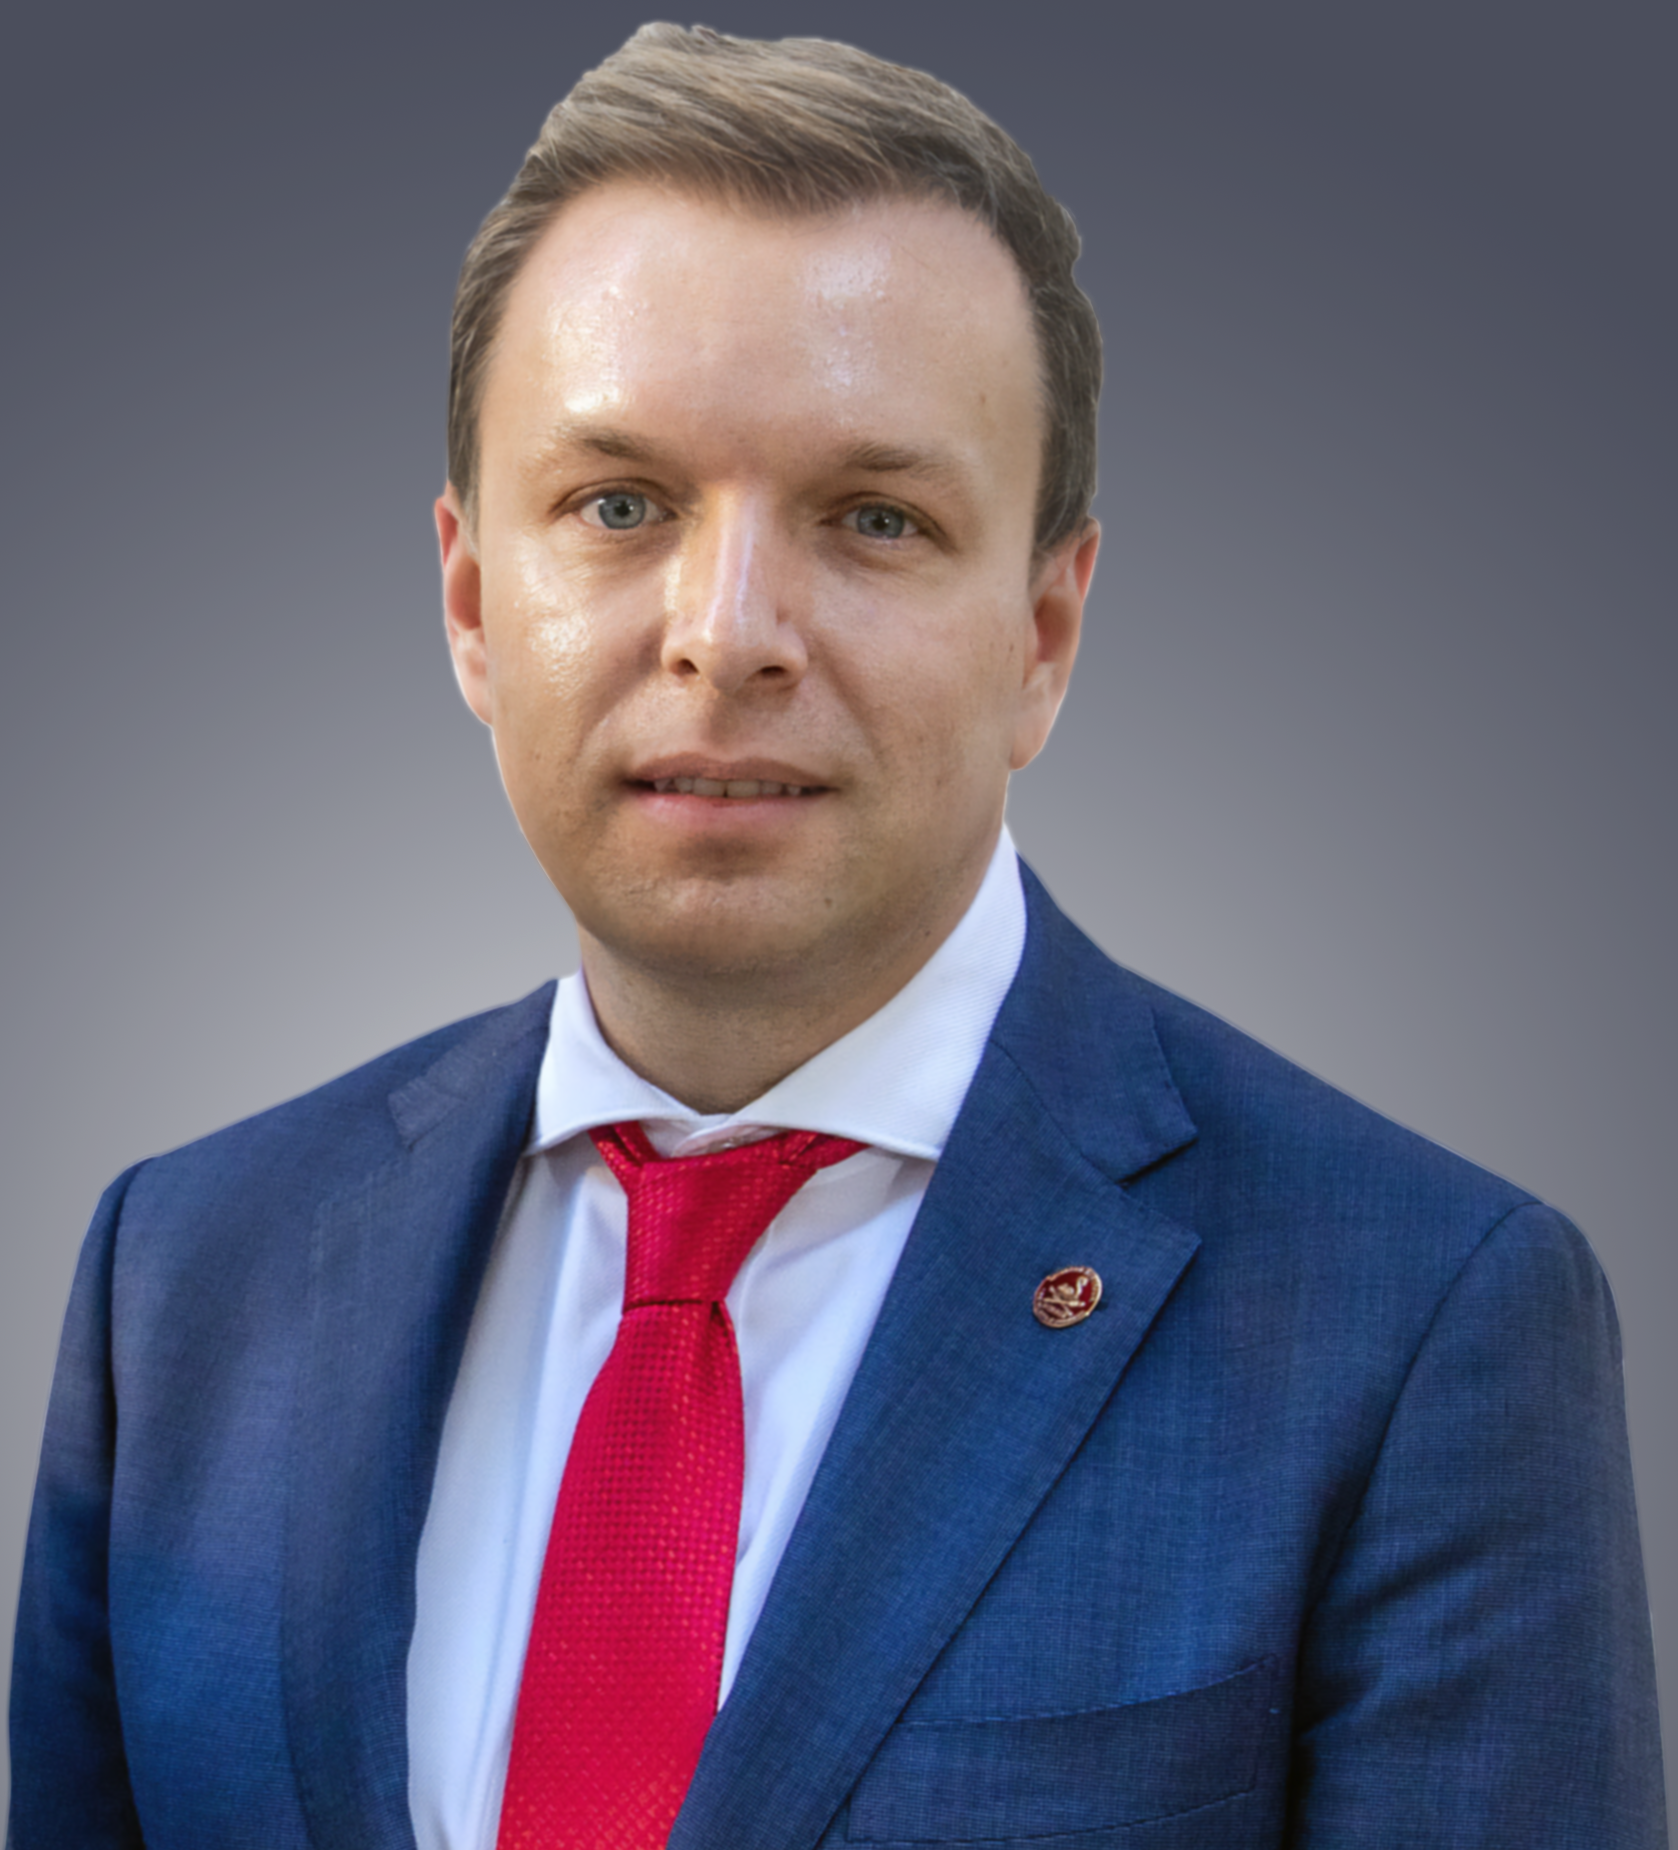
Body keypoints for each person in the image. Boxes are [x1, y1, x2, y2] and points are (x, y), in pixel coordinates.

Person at [8, 22, 1665, 1849]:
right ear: (475, 600)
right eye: (619, 504)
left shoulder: (1423, 1322)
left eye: (872, 517)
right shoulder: (184, 1277)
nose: (728, 632)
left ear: (1042, 633)